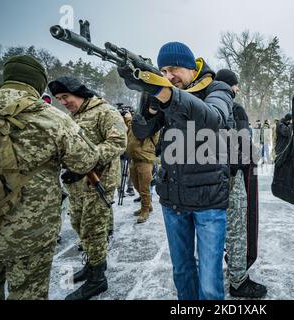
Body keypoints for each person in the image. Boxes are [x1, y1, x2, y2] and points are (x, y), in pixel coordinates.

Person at [118, 42, 233, 300]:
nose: (169, 76)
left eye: (174, 69)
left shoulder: (217, 89)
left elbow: (214, 119)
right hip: (173, 199)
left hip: (209, 200)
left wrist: (165, 91)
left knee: (209, 282)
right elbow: (142, 131)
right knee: (181, 272)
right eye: (163, 71)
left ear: (192, 67)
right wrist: (147, 99)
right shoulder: (167, 93)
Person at [0, 56, 99, 300]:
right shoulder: (50, 116)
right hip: (30, 231)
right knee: (27, 294)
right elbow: (85, 161)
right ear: (38, 84)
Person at [49, 76, 127, 300]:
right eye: (59, 99)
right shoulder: (73, 115)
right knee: (77, 224)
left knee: (93, 229)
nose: (63, 102)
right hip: (76, 183)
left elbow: (117, 143)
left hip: (98, 181)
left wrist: (86, 160)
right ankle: (92, 266)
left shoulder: (105, 111)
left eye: (66, 97)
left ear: (79, 93)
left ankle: (98, 279)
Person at [215, 69, 267, 298]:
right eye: (236, 86)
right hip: (232, 176)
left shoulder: (207, 104)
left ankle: (223, 268)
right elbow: (244, 145)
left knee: (217, 228)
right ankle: (238, 280)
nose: (237, 91)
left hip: (210, 177)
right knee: (237, 229)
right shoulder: (234, 109)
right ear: (231, 86)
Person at [123, 93, 160, 224]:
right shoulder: (137, 120)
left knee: (144, 187)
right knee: (137, 186)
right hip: (133, 159)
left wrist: (131, 119)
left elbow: (142, 131)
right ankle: (147, 205)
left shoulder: (151, 122)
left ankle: (145, 210)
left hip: (145, 158)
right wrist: (127, 119)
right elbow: (130, 129)